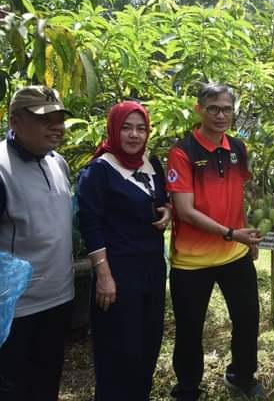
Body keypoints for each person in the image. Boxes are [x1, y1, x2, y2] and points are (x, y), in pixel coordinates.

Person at [166, 83, 264, 401]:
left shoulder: (238, 148)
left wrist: (247, 236)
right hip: (191, 260)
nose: (221, 115)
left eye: (227, 109)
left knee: (248, 317)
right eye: (213, 108)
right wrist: (231, 233)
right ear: (200, 110)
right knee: (190, 327)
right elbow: (185, 211)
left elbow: (241, 197)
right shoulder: (183, 152)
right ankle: (188, 386)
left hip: (234, 253)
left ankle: (243, 375)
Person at [77, 101, 172, 400]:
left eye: (141, 128)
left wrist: (168, 211)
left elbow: (163, 200)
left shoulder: (151, 164)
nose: (134, 135)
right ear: (114, 130)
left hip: (152, 270)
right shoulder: (98, 171)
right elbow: (90, 225)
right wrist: (103, 275)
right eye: (126, 128)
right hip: (118, 273)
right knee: (119, 351)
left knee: (147, 345)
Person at [0, 86, 74, 400]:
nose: (56, 127)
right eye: (46, 120)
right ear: (15, 122)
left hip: (60, 296)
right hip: (18, 309)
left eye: (59, 119)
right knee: (14, 387)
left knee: (47, 380)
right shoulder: (2, 169)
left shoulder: (58, 163)